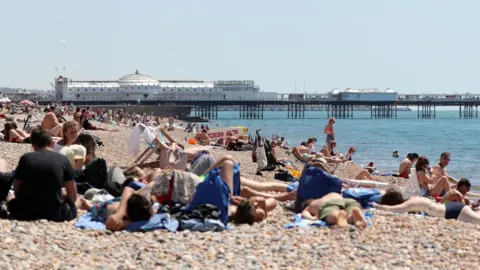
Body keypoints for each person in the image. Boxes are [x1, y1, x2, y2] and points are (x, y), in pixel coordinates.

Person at [7, 128, 78, 221]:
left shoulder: (26, 158)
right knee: (78, 200)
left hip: (25, 212)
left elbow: (17, 189)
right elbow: (72, 194)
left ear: (33, 145)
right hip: (56, 214)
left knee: (10, 196)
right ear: (52, 143)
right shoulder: (63, 159)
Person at [372, 190, 480, 225]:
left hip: (457, 212)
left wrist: (377, 207)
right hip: (454, 210)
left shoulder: (413, 202)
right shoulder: (413, 202)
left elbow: (395, 209)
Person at [301, 192, 368, 229]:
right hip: (346, 200)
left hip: (330, 204)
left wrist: (312, 218)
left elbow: (304, 213)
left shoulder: (312, 204)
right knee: (352, 207)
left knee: (331, 212)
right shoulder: (330, 194)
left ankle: (337, 216)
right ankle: (352, 216)